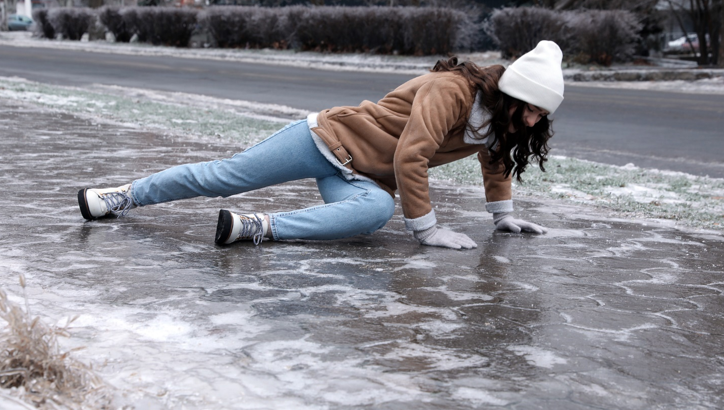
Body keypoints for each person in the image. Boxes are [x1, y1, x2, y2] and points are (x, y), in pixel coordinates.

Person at [77, 40, 564, 250]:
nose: (536, 119)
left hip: (363, 176)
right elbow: (411, 155)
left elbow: (496, 158)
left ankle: (256, 228)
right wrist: (428, 230)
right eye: (534, 108)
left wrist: (502, 216)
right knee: (224, 177)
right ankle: (121, 196)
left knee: (372, 214)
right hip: (326, 139)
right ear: (512, 95)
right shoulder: (452, 91)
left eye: (543, 114)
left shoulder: (500, 121)